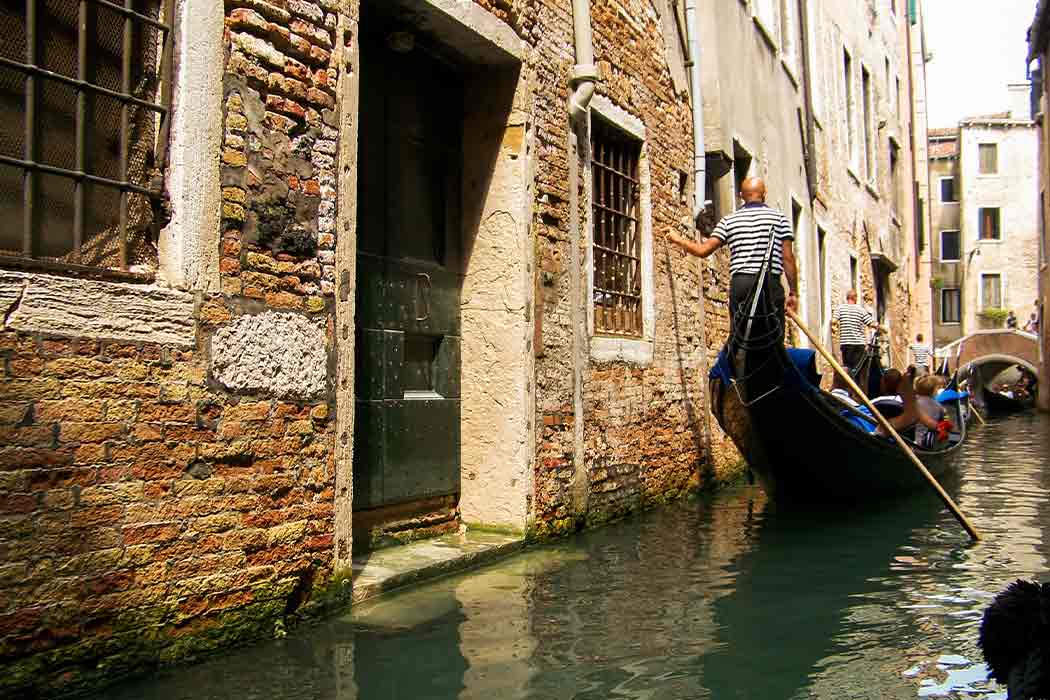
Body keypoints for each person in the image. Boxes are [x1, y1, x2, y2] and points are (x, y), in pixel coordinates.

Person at [667, 177, 798, 332]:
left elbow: (702, 251)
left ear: (741, 195)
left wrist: (678, 239)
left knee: (738, 338)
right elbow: (787, 258)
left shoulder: (729, 221)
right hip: (770, 284)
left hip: (741, 285)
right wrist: (793, 292)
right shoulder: (779, 219)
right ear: (765, 194)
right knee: (774, 338)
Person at [832, 290, 880, 372]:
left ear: (847, 298)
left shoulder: (840, 309)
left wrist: (835, 327)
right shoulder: (860, 309)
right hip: (859, 344)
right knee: (858, 369)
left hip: (846, 343)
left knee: (848, 368)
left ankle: (849, 383)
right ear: (855, 298)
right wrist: (879, 326)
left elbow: (834, 321)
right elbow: (871, 324)